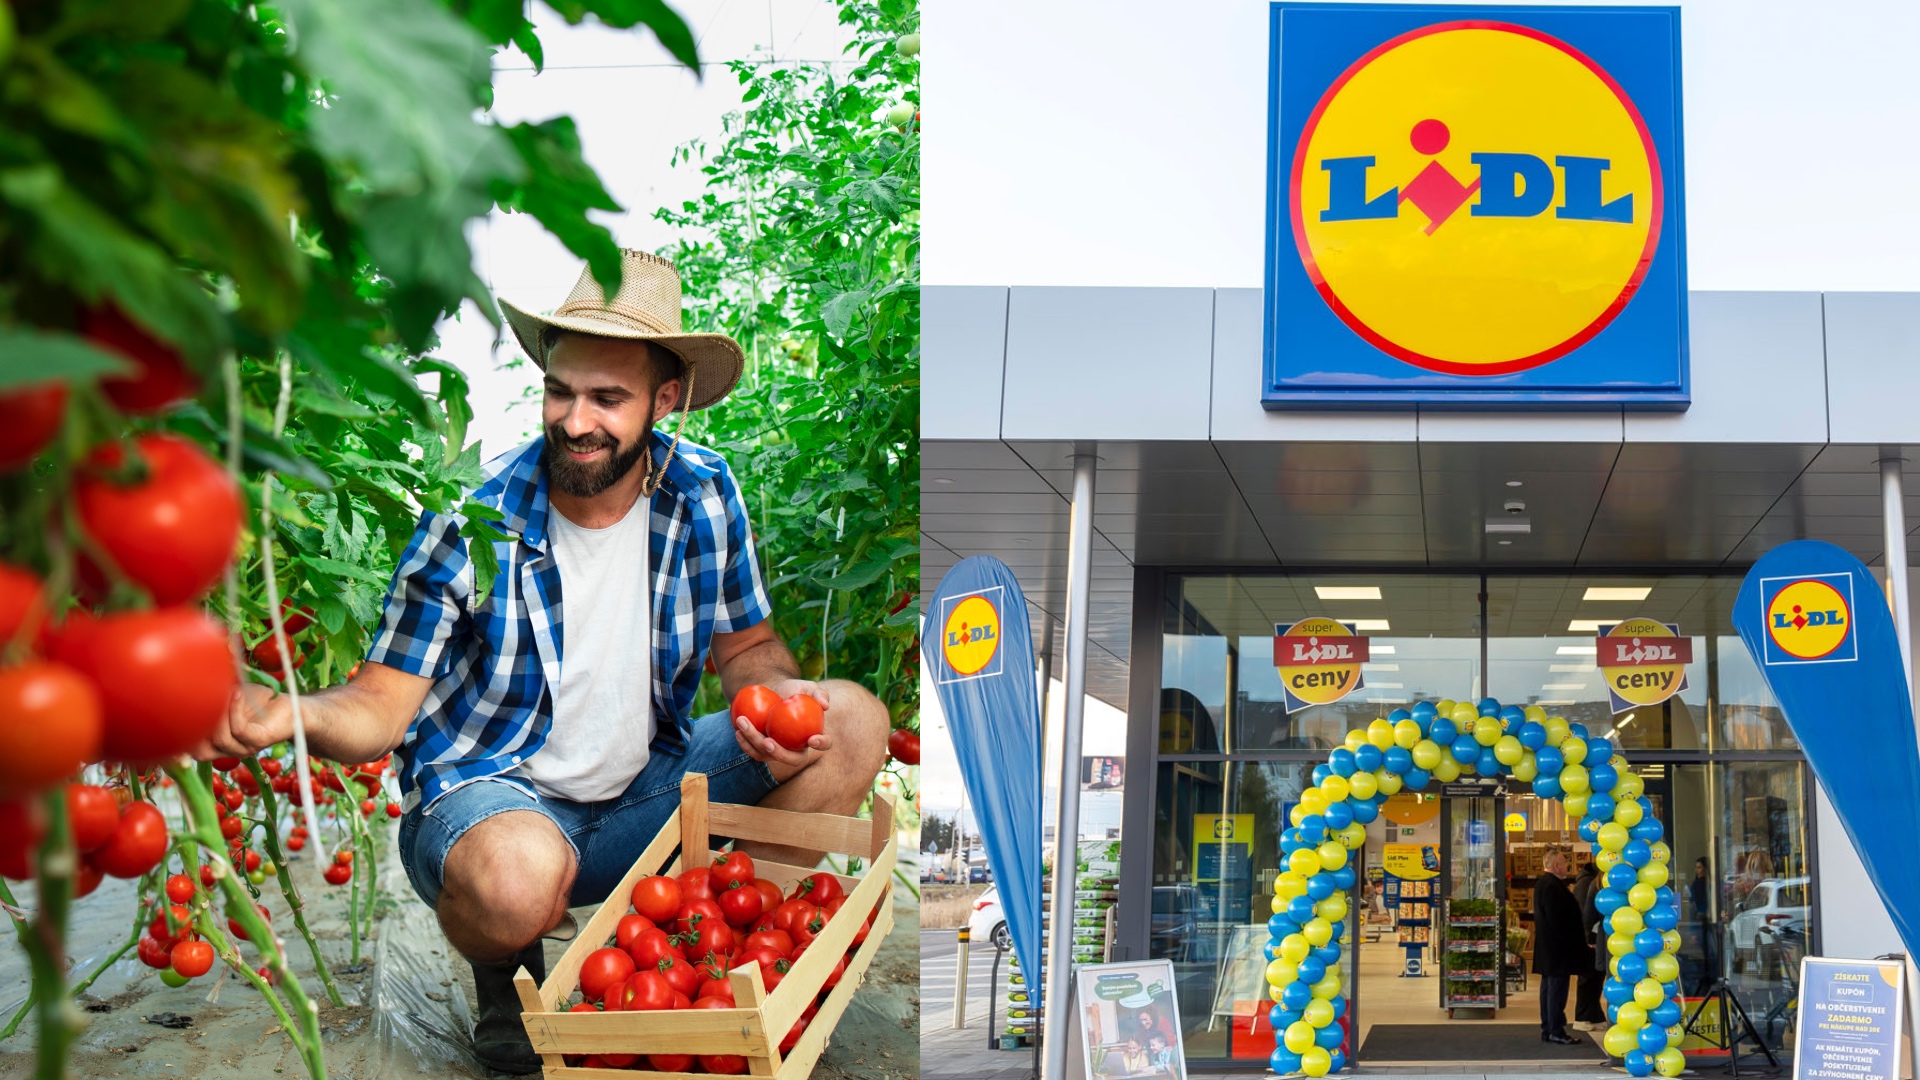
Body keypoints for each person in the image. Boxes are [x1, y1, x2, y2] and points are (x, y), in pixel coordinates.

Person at [199, 250, 892, 1075]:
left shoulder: (704, 493)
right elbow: (379, 707)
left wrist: (776, 698)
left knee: (853, 721)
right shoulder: (473, 520)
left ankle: (708, 949)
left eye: (608, 398)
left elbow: (748, 647)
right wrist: (290, 713)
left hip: (647, 789)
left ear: (665, 401)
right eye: (560, 391)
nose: (574, 420)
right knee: (516, 880)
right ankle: (504, 970)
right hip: (491, 803)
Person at [1531, 850, 1586, 1044]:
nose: (1566, 867)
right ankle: (1556, 1030)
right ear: (1556, 866)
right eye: (1564, 863)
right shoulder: (1553, 887)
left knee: (1549, 989)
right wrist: (1573, 942)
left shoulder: (1543, 884)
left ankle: (1549, 1028)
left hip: (1549, 949)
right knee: (1556, 991)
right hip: (1558, 950)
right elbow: (1558, 920)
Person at [1570, 859, 1606, 1029]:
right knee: (1589, 977)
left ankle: (1595, 1015)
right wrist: (1588, 938)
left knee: (1595, 978)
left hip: (1597, 938)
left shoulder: (1593, 883)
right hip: (1594, 939)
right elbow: (1586, 916)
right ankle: (1583, 1015)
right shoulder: (1589, 883)